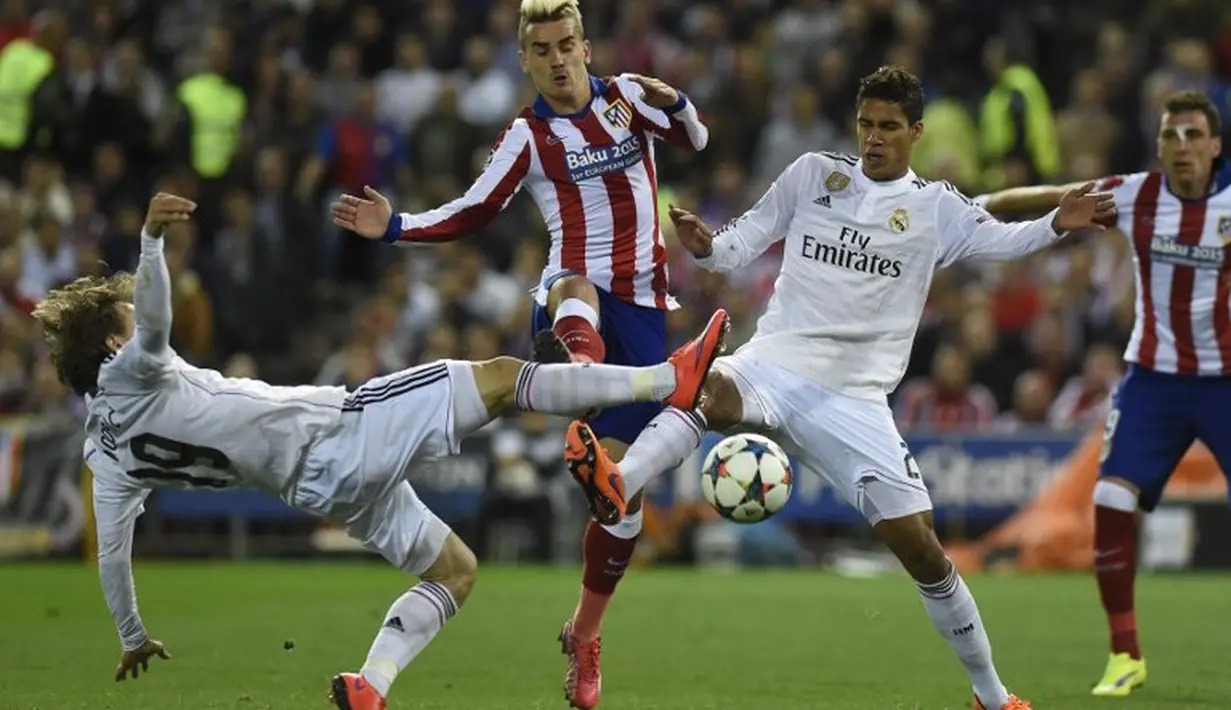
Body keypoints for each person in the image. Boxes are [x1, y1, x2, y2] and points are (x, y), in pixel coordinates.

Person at [32, 192, 729, 710]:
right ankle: (668, 377)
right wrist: (151, 242)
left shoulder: (105, 452)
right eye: (125, 323)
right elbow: (153, 324)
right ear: (113, 345)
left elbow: (112, 553)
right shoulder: (135, 365)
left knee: (454, 570)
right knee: (493, 379)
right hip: (335, 431)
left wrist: (131, 633)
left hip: (313, 490)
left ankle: (372, 684)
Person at [560, 66, 1117, 710]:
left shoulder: (934, 208)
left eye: (887, 127)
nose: (873, 139)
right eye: (865, 124)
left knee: (925, 553)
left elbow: (1003, 242)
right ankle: (618, 483)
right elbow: (738, 246)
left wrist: (1057, 223)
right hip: (775, 359)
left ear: (915, 132)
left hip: (855, 399)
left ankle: (993, 698)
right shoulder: (811, 175)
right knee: (705, 387)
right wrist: (707, 245)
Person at [329, 0, 709, 706]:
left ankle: (585, 632)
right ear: (526, 61)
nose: (559, 59)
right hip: (572, 295)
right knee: (572, 286)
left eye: (568, 44)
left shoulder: (628, 97)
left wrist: (678, 101)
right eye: (543, 50)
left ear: (586, 47)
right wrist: (397, 227)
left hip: (646, 309)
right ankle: (579, 367)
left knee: (619, 503)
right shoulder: (527, 137)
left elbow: (696, 138)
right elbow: (472, 210)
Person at [975, 89, 1231, 698]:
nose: (1182, 146)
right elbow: (1052, 196)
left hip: (1224, 381)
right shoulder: (1139, 194)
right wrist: (975, 204)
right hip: (1153, 379)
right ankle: (1125, 655)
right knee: (1112, 500)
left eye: (1194, 135)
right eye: (1171, 135)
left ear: (1216, 147)